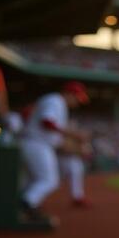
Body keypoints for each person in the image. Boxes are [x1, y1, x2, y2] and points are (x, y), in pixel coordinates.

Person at [19, 81, 90, 223]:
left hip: (36, 143)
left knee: (32, 181)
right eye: (77, 98)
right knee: (49, 180)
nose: (77, 102)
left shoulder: (57, 102)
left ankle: (25, 208)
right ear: (70, 94)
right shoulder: (55, 100)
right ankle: (26, 205)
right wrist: (73, 134)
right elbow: (47, 122)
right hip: (37, 144)